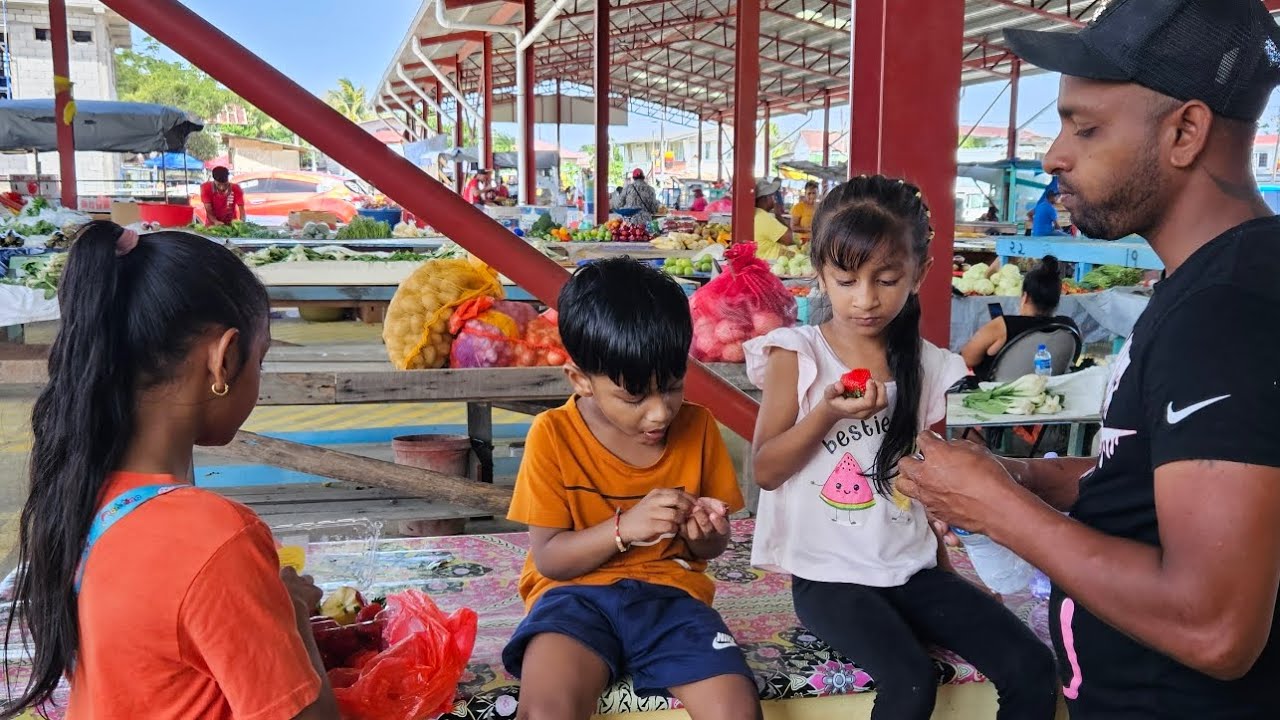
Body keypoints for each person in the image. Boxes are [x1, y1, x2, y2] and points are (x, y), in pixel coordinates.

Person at [897, 2, 1280, 718]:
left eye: (1086, 126)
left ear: (1185, 131)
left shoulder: (1226, 313)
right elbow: (1167, 481)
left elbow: (1215, 625)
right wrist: (1034, 478)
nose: (1052, 155)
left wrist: (1000, 509)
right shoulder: (1208, 283)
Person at [744, 175, 1058, 720]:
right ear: (819, 272)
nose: (865, 300)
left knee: (1032, 666)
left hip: (912, 571)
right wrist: (823, 411)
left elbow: (916, 480)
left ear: (920, 274)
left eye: (886, 280)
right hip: (828, 579)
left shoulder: (930, 364)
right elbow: (767, 471)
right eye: (845, 280)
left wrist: (948, 570)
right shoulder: (797, 354)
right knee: (911, 682)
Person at [2, 222, 337, 720]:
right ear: (224, 360)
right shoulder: (217, 538)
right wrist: (292, 622)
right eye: (260, 360)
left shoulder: (76, 494)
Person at [501, 258, 761, 720]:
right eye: (634, 396)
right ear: (581, 380)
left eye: (674, 387)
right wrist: (625, 528)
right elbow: (551, 560)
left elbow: (712, 547)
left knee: (737, 711)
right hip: (573, 600)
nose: (660, 413)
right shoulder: (553, 434)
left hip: (670, 598)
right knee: (545, 712)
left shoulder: (697, 426)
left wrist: (706, 536)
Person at [961, 255, 1079, 380]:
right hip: (1047, 393)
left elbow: (967, 359)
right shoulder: (1068, 327)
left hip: (1000, 395)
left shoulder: (1003, 326)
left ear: (1025, 297)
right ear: (1057, 300)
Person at [752, 177, 794, 260]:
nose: (774, 199)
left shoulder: (756, 213)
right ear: (766, 198)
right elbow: (789, 239)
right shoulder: (763, 217)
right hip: (771, 263)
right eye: (772, 195)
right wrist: (778, 215)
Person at [789, 180, 820, 245]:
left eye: (814, 193)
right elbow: (793, 227)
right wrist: (809, 229)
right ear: (805, 193)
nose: (811, 196)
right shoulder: (798, 207)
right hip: (802, 242)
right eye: (809, 193)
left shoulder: (820, 207)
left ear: (817, 194)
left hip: (818, 241)